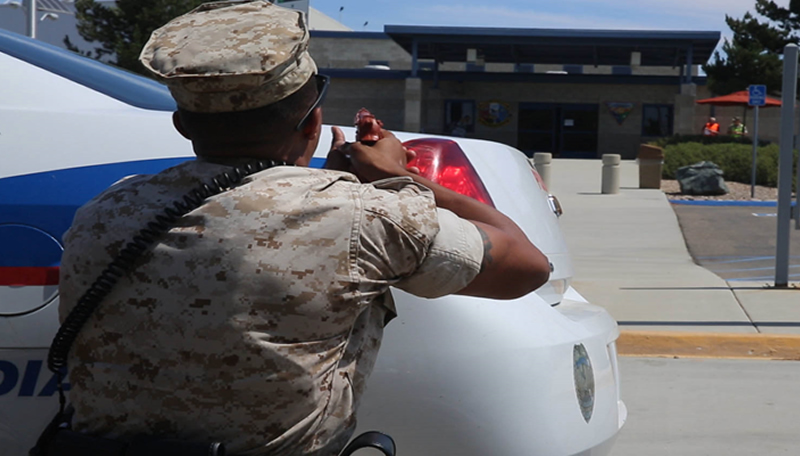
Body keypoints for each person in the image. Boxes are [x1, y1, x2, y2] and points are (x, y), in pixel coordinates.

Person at [56, 1, 550, 455]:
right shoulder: (363, 216)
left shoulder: (107, 207)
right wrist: (397, 179)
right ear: (313, 122)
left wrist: (330, 188)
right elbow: (526, 267)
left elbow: (247, 216)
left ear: (182, 124)